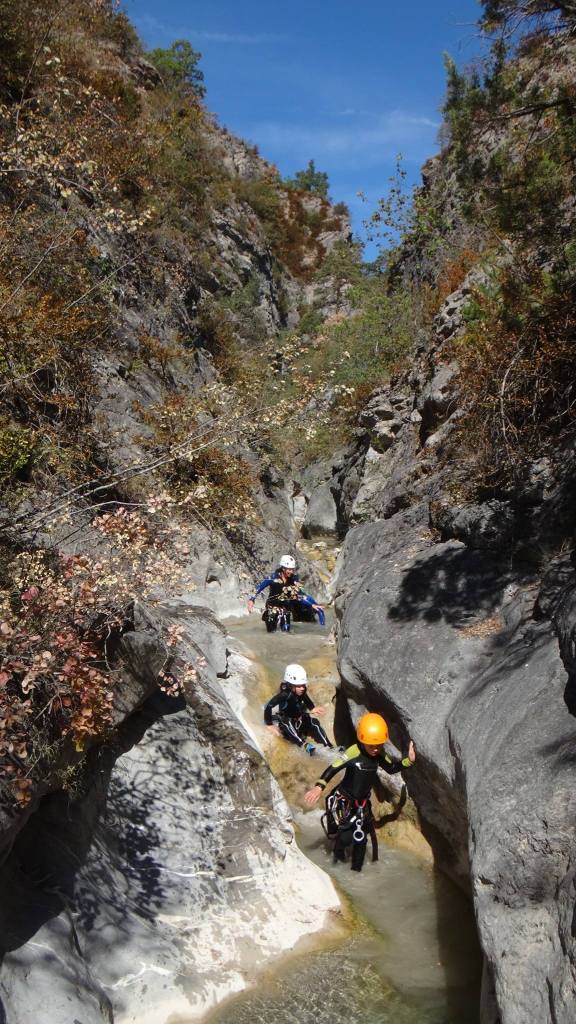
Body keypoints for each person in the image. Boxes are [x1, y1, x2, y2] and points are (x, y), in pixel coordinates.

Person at [304, 712, 416, 871]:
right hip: (343, 801)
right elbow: (333, 768)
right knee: (344, 838)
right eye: (371, 745)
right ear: (362, 740)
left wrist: (408, 761)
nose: (376, 749)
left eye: (379, 745)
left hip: (361, 805)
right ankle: (335, 866)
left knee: (361, 841)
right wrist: (319, 786)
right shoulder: (353, 752)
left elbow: (391, 768)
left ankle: (356, 872)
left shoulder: (379, 754)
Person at [264, 663, 333, 755]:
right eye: (299, 686)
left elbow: (305, 697)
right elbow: (269, 706)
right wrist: (269, 724)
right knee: (286, 723)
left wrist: (312, 708)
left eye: (303, 685)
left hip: (297, 719)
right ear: (290, 685)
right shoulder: (285, 695)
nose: (302, 688)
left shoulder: (301, 690)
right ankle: (303, 744)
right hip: (287, 721)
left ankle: (329, 746)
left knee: (314, 722)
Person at [247, 555, 325, 631]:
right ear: (283, 568)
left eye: (292, 569)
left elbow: (299, 594)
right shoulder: (273, 578)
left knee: (286, 630)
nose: (291, 572)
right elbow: (258, 588)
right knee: (271, 629)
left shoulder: (294, 579)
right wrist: (251, 600)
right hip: (272, 607)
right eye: (289, 569)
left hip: (285, 607)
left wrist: (312, 604)